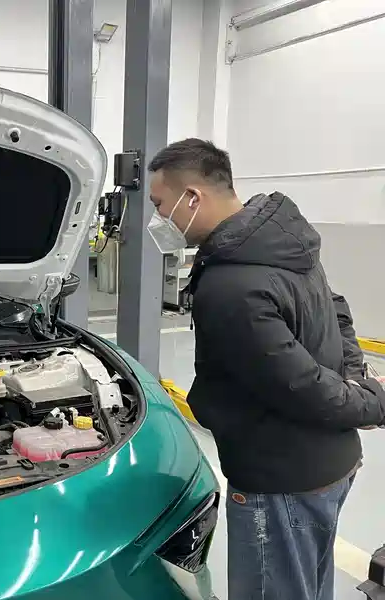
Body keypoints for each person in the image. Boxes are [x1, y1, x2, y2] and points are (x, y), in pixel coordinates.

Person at [146, 138, 385, 600]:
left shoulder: (230, 284)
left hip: (279, 480)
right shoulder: (280, 241)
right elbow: (337, 311)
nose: (159, 219)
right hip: (331, 464)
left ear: (192, 197)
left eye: (159, 204)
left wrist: (373, 400)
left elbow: (302, 386)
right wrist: (359, 379)